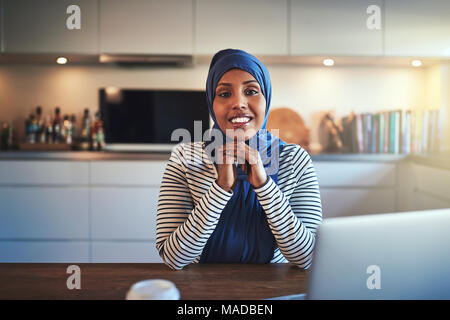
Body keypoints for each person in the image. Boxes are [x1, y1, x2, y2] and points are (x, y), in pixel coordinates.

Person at [156, 49, 322, 270]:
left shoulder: (295, 160)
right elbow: (173, 258)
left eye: (251, 91)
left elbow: (309, 258)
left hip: (273, 291)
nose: (239, 103)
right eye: (224, 94)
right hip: (201, 290)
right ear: (211, 103)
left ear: (267, 98)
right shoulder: (184, 158)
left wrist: (264, 186)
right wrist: (221, 187)